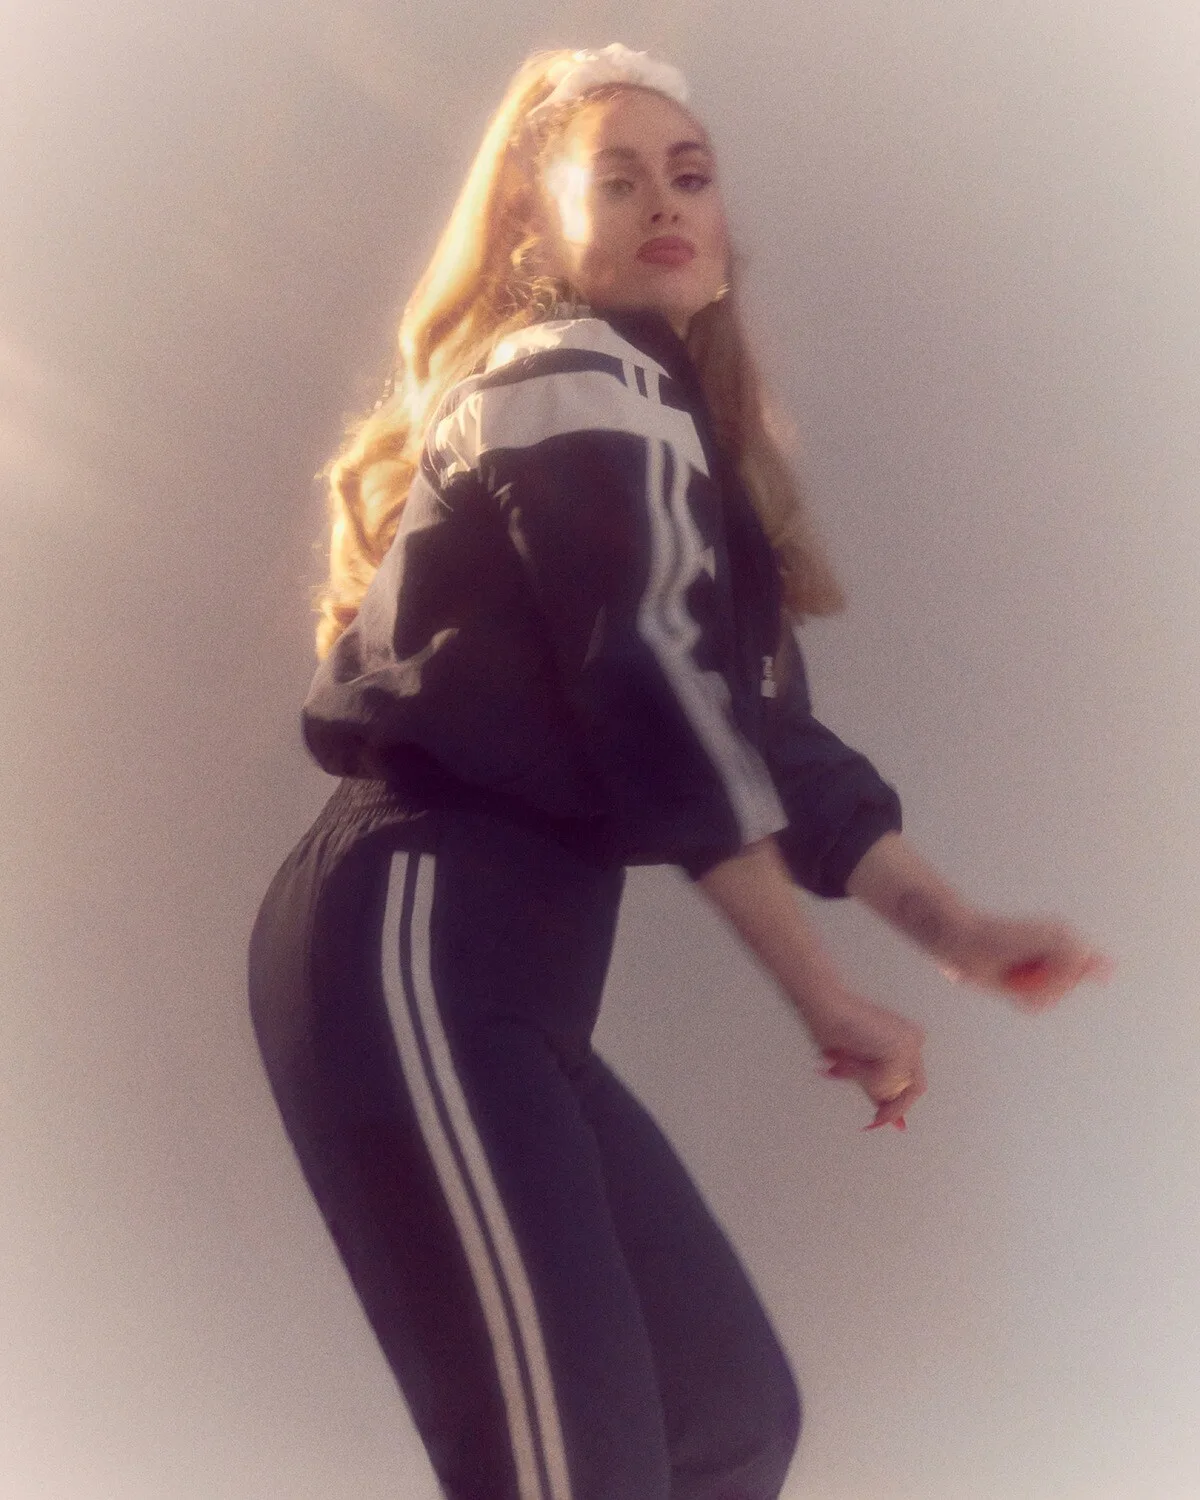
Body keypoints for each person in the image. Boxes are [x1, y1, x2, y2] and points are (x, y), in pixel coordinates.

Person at [247, 43, 1114, 1500]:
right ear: (536, 233)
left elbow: (761, 736)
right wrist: (820, 992)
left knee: (727, 1420)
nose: (665, 202)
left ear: (720, 234)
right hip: (416, 930)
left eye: (691, 176)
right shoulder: (568, 374)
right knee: (570, 1470)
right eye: (617, 178)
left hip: (510, 986)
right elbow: (648, 687)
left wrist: (955, 930)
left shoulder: (670, 441)